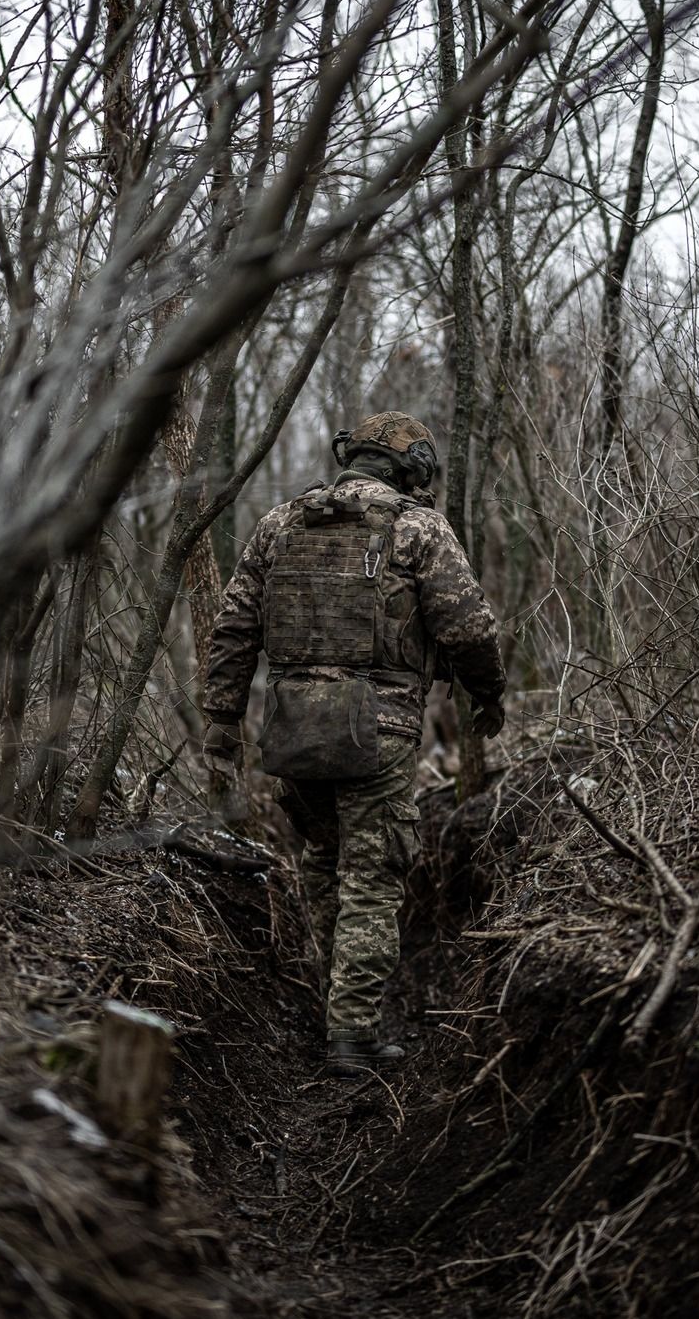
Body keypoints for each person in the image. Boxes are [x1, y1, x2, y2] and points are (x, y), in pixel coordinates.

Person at [202, 412, 506, 1076]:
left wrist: (222, 724)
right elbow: (470, 628)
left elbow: (231, 630)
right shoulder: (415, 527)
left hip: (290, 729)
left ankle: (340, 1014)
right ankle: (352, 1038)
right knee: (371, 880)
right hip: (377, 730)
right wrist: (489, 695)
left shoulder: (280, 525)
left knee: (322, 865)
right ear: (409, 467)